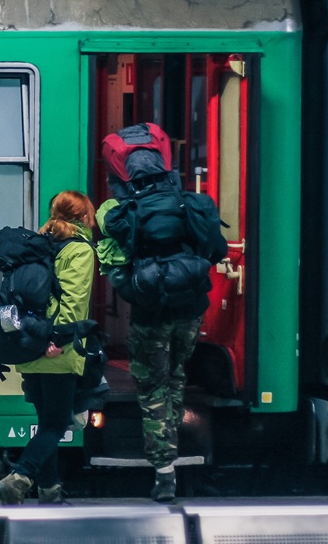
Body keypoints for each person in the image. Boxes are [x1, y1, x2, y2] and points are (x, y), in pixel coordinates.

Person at [96, 124, 225, 502]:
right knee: (175, 378)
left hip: (151, 312)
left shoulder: (127, 211)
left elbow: (116, 252)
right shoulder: (191, 204)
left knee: (151, 389)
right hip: (190, 311)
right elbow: (215, 251)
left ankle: (164, 471)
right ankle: (173, 439)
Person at [0, 190, 97, 505]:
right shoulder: (78, 250)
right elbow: (73, 304)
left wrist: (36, 341)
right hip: (55, 349)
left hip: (28, 346)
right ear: (83, 217)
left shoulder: (38, 244)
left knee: (46, 422)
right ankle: (20, 476)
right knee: (57, 423)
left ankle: (49, 492)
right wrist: (57, 341)